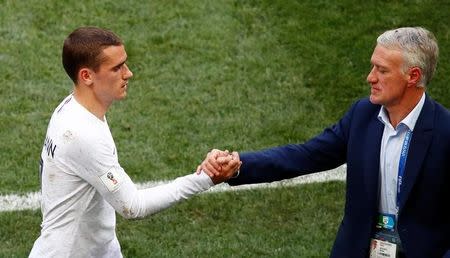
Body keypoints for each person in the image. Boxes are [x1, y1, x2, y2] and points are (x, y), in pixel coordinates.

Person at [200, 27, 450, 258]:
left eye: (382, 70)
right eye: (373, 67)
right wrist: (239, 164)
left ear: (413, 76)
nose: (370, 77)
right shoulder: (363, 115)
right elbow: (306, 155)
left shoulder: (445, 131)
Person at [29, 26, 239, 258]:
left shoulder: (71, 108)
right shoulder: (82, 135)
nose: (128, 73)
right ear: (87, 76)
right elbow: (133, 206)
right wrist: (206, 178)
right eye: (117, 68)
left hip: (98, 249)